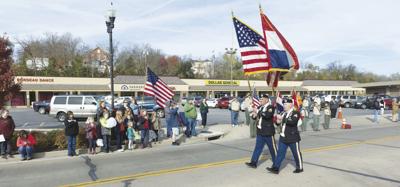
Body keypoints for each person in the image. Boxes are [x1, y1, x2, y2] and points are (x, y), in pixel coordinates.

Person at [267, 99, 304, 174]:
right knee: (280, 153)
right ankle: (276, 168)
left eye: (286, 104)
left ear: (290, 105)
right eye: (283, 104)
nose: (284, 106)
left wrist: (282, 119)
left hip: (292, 137)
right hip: (283, 136)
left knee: (296, 153)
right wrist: (277, 122)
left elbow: (292, 122)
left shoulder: (295, 112)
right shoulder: (283, 113)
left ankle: (299, 167)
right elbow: (279, 123)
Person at [245, 94, 277, 169]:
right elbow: (256, 116)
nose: (260, 101)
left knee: (272, 149)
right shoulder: (260, 107)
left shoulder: (270, 107)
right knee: (258, 148)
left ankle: (276, 164)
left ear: (266, 100)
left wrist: (258, 111)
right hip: (260, 131)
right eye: (260, 100)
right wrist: (254, 115)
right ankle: (254, 162)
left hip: (268, 131)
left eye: (261, 100)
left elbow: (267, 115)